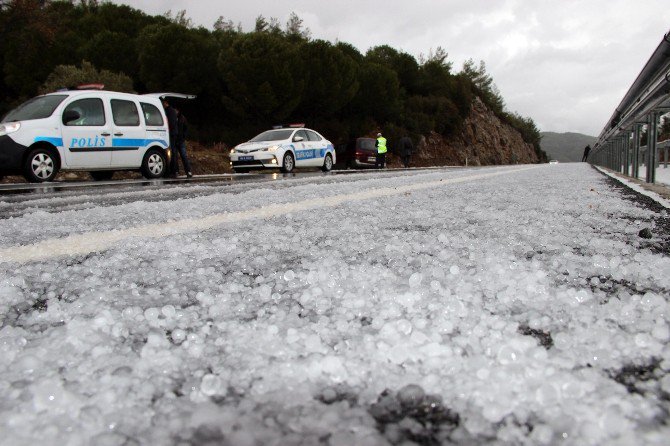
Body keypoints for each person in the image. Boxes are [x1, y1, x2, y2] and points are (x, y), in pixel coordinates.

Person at [174, 108, 193, 178]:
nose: (175, 111)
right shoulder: (173, 117)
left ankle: (188, 171)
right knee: (174, 157)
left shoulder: (182, 118)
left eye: (176, 110)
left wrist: (184, 137)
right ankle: (176, 171)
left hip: (181, 140)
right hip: (174, 140)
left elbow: (186, 128)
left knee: (184, 156)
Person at [162, 99, 179, 177]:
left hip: (171, 134)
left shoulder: (170, 111)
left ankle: (173, 170)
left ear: (165, 103)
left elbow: (171, 123)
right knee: (172, 152)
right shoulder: (170, 111)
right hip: (172, 133)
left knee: (171, 152)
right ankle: (173, 170)